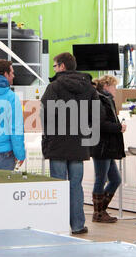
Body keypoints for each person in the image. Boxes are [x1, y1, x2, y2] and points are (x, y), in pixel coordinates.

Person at [41, 52, 99, 235]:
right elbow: (97, 115)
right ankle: (78, 225)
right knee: (76, 185)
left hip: (57, 144)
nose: (55, 69)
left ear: (63, 66)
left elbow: (45, 115)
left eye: (55, 66)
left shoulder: (54, 87)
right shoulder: (89, 88)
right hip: (79, 144)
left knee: (58, 186)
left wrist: (47, 139)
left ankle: (58, 225)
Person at [91, 75, 126, 223]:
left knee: (115, 179)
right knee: (101, 179)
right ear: (106, 86)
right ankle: (98, 212)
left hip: (107, 146)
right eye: (114, 87)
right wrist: (118, 127)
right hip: (101, 146)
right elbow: (100, 124)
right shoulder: (100, 100)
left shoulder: (105, 100)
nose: (116, 90)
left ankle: (101, 209)